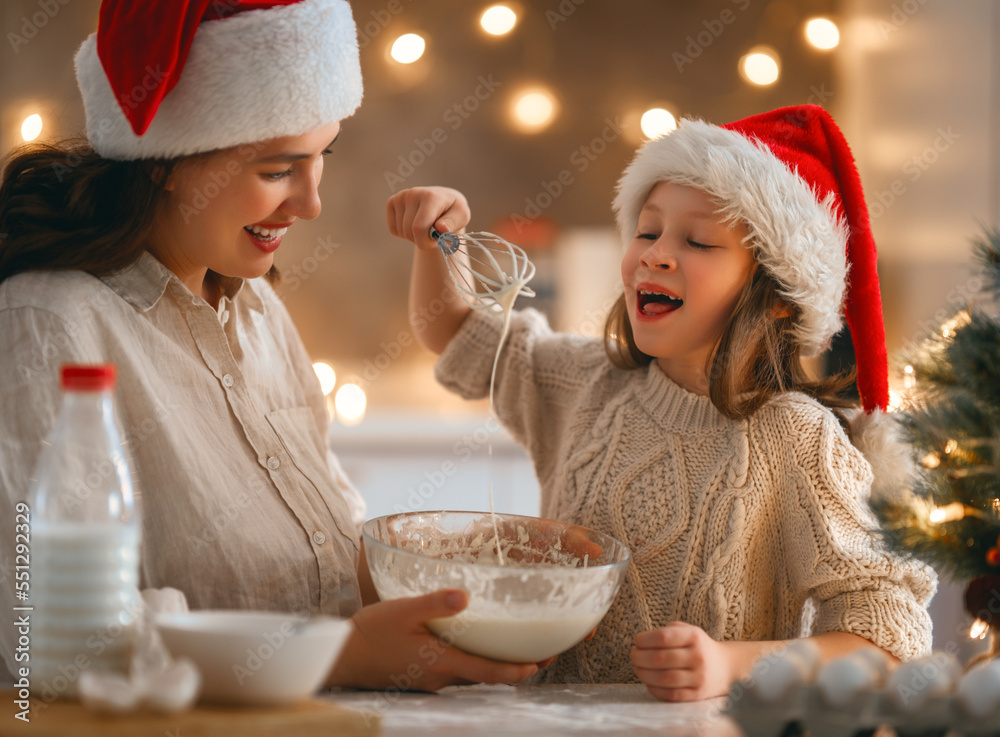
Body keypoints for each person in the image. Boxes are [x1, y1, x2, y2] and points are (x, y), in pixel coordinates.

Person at [0, 0, 540, 691]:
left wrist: (470, 568)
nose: (311, 202)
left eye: (322, 158)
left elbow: (327, 546)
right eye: (278, 169)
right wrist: (337, 651)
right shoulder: (46, 323)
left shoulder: (255, 309)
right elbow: (48, 634)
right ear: (165, 160)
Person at [386, 105, 938, 701]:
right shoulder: (588, 381)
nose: (655, 253)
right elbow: (455, 333)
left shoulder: (796, 438)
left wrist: (731, 665)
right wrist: (435, 242)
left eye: (698, 240)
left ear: (779, 296)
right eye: (647, 231)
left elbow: (888, 635)